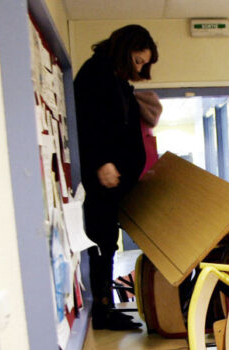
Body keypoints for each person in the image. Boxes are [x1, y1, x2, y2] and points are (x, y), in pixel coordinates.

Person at [74, 24, 159, 330]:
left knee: (108, 241)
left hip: (115, 180)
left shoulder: (117, 80)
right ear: (125, 48)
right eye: (138, 60)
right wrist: (100, 162)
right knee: (101, 239)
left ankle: (106, 305)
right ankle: (101, 309)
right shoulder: (95, 73)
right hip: (101, 176)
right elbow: (86, 123)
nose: (140, 67)